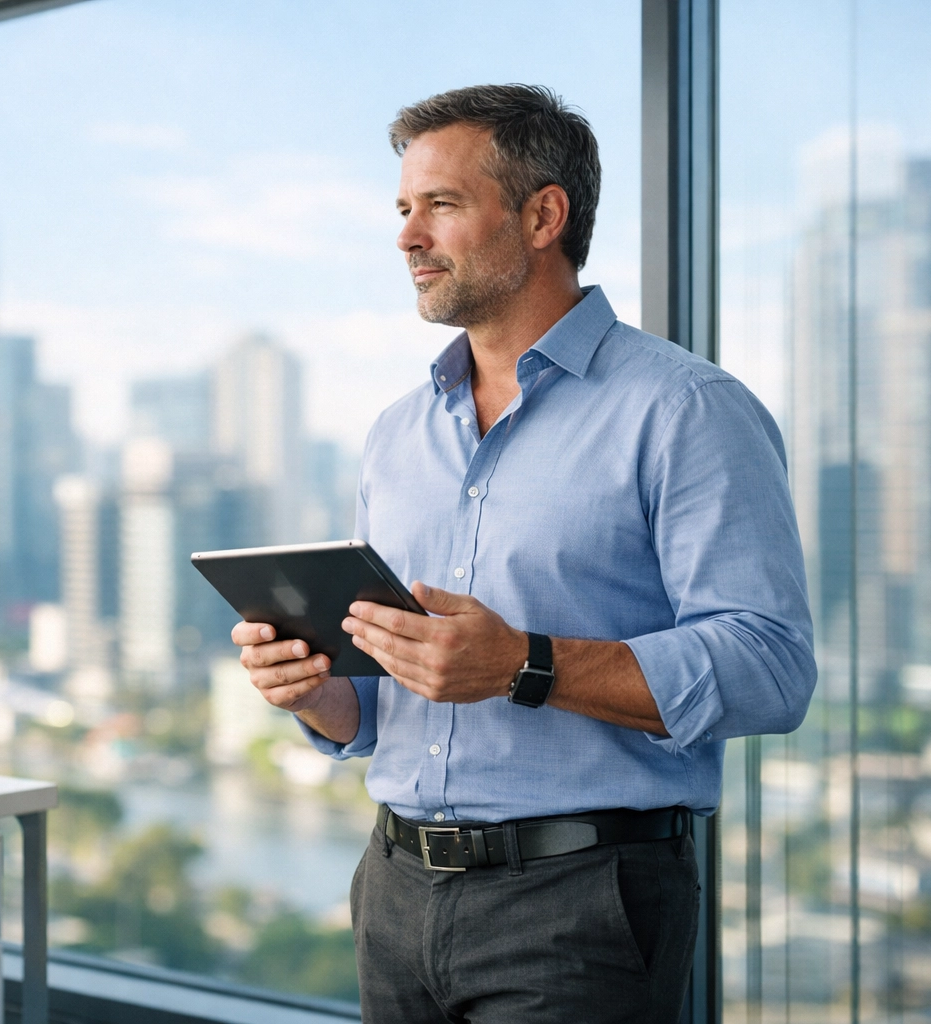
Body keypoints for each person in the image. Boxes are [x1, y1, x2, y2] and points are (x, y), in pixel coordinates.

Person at [231, 84, 816, 1022]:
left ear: (545, 214)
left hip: (580, 905)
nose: (406, 236)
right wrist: (316, 690)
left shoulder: (685, 410)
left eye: (442, 205)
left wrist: (525, 663)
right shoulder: (395, 434)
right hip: (392, 891)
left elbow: (771, 668)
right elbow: (380, 715)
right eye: (402, 209)